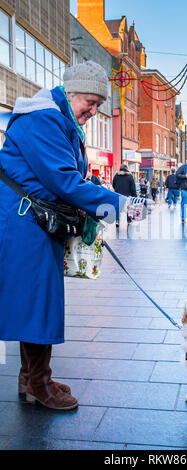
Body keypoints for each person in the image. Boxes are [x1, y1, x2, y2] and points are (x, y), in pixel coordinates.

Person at [0, 60, 127, 410]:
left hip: (31, 220)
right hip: (26, 223)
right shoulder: (45, 119)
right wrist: (122, 205)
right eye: (90, 101)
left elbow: (65, 181)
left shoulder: (58, 118)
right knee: (38, 300)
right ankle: (39, 383)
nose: (93, 110)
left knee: (34, 299)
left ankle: (31, 377)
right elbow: (65, 181)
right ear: (70, 93)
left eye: (99, 104)